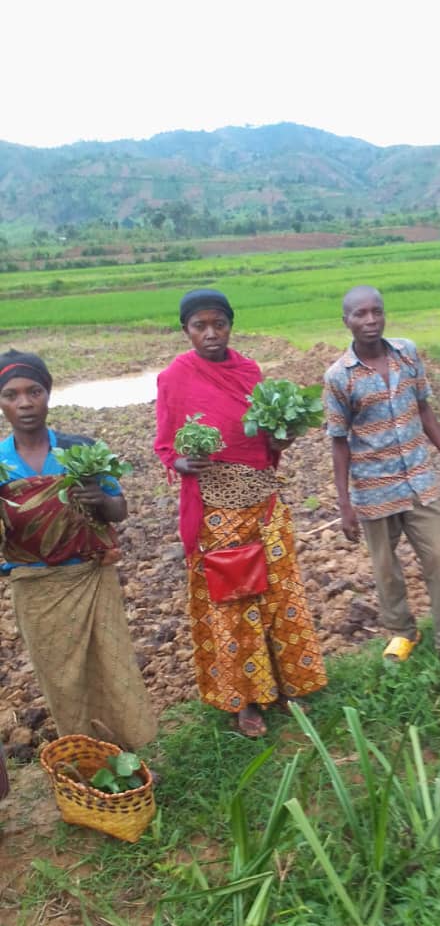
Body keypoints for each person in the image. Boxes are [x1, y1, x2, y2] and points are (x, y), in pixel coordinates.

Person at [154, 289, 327, 738]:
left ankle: (294, 684)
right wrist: (181, 463)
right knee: (231, 601)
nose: (211, 334)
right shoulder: (175, 377)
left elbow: (268, 439)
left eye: (219, 324)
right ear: (186, 330)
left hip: (264, 501)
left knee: (279, 593)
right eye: (200, 326)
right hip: (214, 508)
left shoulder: (250, 371)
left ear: (231, 325)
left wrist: (283, 438)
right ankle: (244, 700)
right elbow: (165, 445)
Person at [0, 349, 156, 749]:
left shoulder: (80, 449)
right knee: (62, 680)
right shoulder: (1, 463)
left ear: (48, 394)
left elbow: (118, 510)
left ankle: (130, 752)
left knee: (113, 666)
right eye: (11, 395)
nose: (24, 403)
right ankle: (86, 757)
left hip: (90, 578)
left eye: (33, 391)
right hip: (35, 588)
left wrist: (98, 500)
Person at [324, 285, 440, 680]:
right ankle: (402, 632)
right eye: (360, 314)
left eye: (377, 311)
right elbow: (339, 443)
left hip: (420, 481)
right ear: (347, 321)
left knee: (438, 560)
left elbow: (424, 410)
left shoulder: (407, 353)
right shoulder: (339, 377)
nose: (371, 320)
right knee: (386, 567)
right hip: (373, 489)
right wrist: (344, 504)